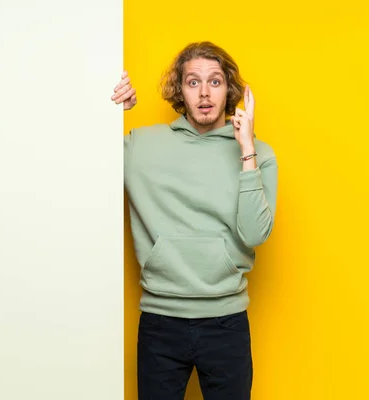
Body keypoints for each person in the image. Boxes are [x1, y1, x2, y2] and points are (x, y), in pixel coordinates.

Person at [111, 41, 278, 400]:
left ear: (230, 90)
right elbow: (73, 167)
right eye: (193, 82)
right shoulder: (140, 145)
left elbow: (254, 234)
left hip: (226, 323)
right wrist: (108, 114)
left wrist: (246, 149)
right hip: (160, 321)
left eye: (215, 82)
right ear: (179, 90)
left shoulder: (259, 153)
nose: (204, 93)